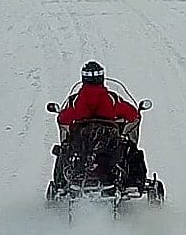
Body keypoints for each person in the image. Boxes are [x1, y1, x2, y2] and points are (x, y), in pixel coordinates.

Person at [54, 61, 147, 191]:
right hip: (108, 139)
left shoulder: (76, 100)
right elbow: (132, 114)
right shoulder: (111, 98)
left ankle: (60, 183)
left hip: (82, 141)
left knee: (63, 150)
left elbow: (63, 118)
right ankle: (134, 183)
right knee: (132, 151)